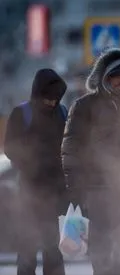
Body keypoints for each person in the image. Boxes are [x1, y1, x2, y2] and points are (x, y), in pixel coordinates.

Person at [61, 48, 120, 275]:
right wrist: (74, 187)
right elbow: (71, 148)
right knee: (101, 250)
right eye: (114, 76)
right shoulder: (84, 106)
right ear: (104, 77)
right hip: (97, 189)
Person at [4, 68, 67, 275]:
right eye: (47, 98)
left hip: (56, 196)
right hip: (29, 195)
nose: (51, 102)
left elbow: (71, 147)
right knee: (27, 254)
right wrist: (34, 160)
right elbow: (10, 148)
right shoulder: (22, 113)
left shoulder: (64, 112)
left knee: (54, 254)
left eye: (55, 98)